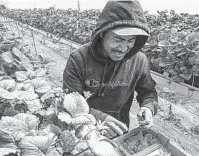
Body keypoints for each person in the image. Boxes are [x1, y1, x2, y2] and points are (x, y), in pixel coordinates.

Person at [63, 0, 158, 139]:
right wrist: (99, 118)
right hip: (83, 131)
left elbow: (148, 92)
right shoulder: (79, 59)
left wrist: (148, 107)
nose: (124, 48)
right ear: (102, 33)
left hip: (119, 131)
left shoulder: (139, 61)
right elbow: (71, 104)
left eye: (130, 40)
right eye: (118, 39)